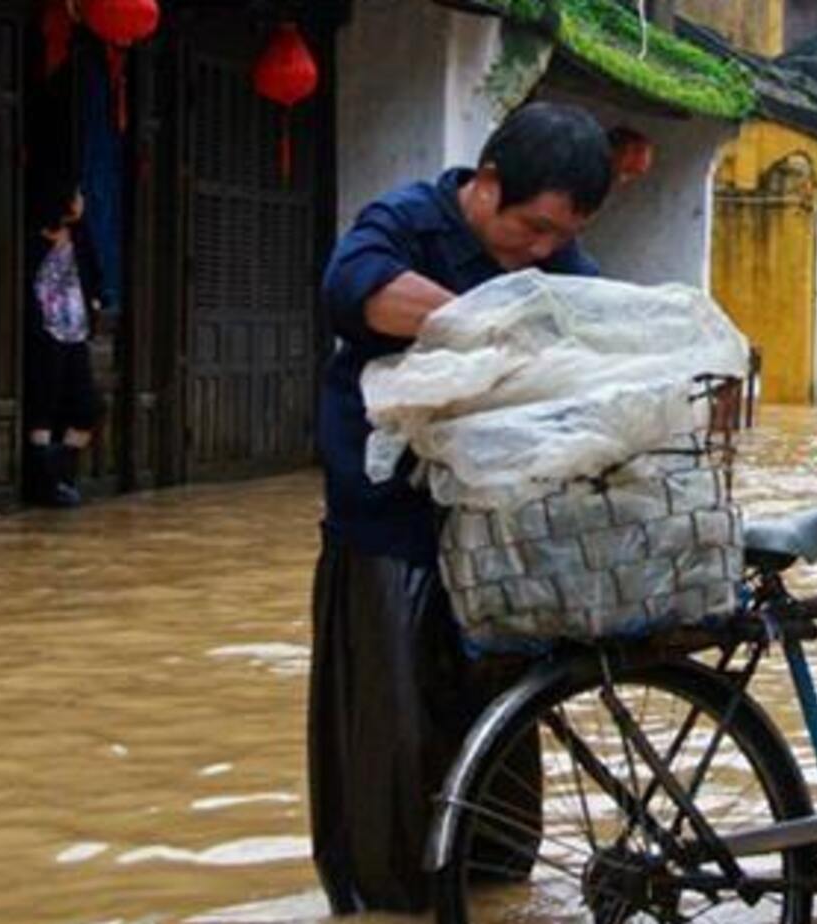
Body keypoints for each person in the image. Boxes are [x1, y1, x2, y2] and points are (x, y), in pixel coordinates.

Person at [308, 102, 614, 914]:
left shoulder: (561, 260)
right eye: (533, 228)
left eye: (561, 236)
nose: (544, 250)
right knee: (393, 723)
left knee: (501, 710)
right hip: (389, 520)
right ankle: (394, 895)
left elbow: (597, 342)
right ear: (486, 184)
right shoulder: (407, 221)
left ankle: (497, 883)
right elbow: (354, 288)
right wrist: (487, 324)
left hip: (495, 526)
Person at [24, 182, 103, 507]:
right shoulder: (33, 240)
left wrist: (96, 303)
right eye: (77, 196)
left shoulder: (81, 237)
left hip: (76, 332)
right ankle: (46, 483)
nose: (81, 202)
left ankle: (60, 473)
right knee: (44, 405)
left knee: (86, 408)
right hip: (45, 333)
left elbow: (95, 274)